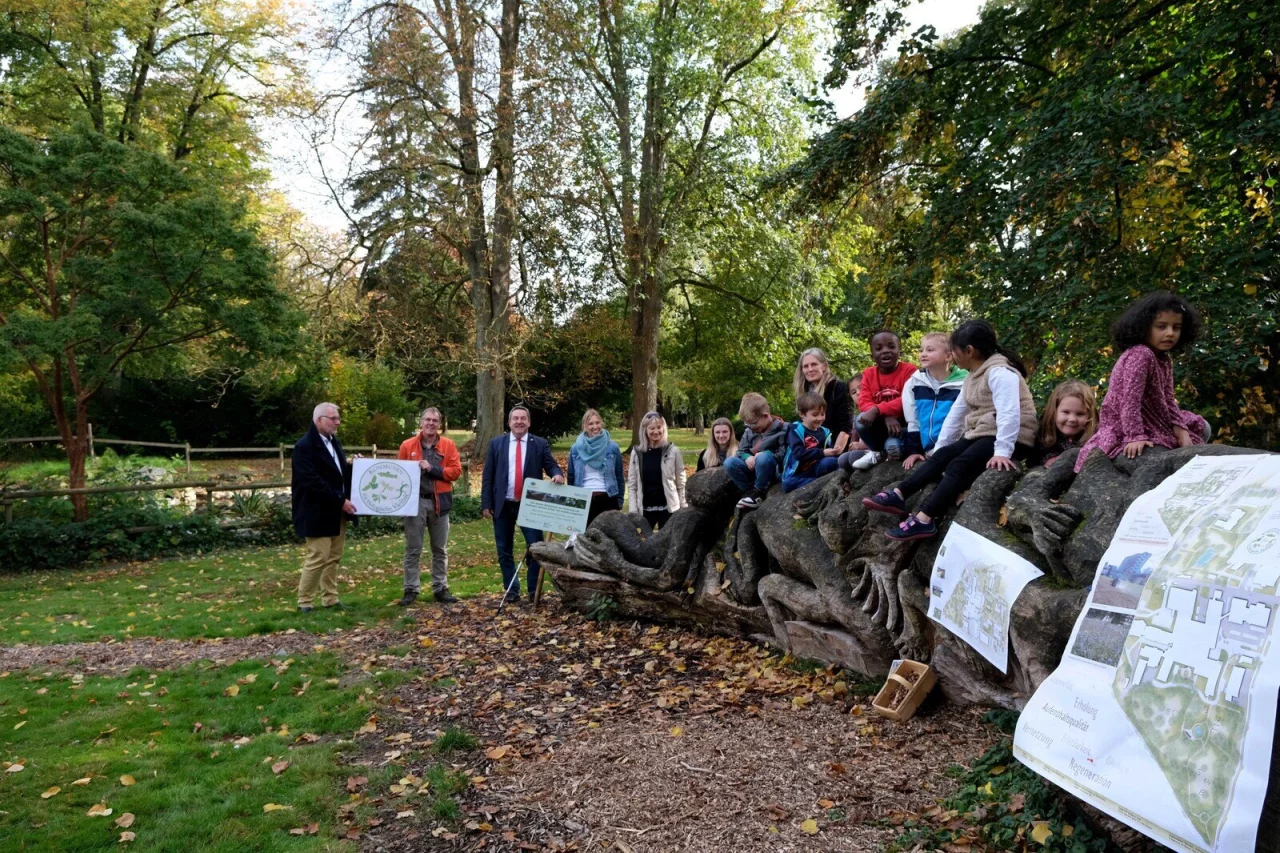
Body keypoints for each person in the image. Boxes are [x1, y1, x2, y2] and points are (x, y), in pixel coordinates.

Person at [862, 320, 1038, 541]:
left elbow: (1009, 414)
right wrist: (940, 449)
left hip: (1014, 436)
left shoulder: (1000, 373)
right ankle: (899, 493)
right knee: (943, 455)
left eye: (954, 351)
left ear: (969, 351)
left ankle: (924, 519)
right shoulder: (974, 375)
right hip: (985, 432)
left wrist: (1003, 451)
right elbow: (956, 416)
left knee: (959, 465)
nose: (953, 356)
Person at [1074, 291, 1209, 473]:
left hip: (1155, 418)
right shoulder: (1140, 355)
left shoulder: (1163, 359)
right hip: (1127, 423)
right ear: (1144, 326)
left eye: (1176, 328)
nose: (1170, 333)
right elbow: (1129, 400)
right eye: (1161, 326)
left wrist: (1181, 430)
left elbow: (1169, 399)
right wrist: (1135, 435)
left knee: (1202, 427)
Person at [481, 405, 564, 604]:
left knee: (535, 548)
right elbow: (488, 475)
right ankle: (511, 590)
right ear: (509, 422)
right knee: (504, 550)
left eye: (523, 418)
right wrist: (486, 503)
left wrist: (557, 474)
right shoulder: (496, 444)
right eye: (515, 418)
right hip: (503, 505)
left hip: (530, 505)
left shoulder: (539, 444)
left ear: (529, 422)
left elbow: (550, 464)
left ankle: (533, 591)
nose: (519, 421)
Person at [291, 402, 356, 612]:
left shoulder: (333, 442)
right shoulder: (304, 447)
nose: (338, 422)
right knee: (318, 556)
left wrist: (353, 467)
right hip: (316, 511)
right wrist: (340, 500)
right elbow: (312, 481)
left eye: (338, 418)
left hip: (336, 511)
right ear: (319, 420)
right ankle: (305, 602)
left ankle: (330, 598)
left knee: (334, 556)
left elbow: (337, 473)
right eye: (333, 418)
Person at [396, 407, 462, 606]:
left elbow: (456, 472)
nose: (431, 423)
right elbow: (399, 473)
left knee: (440, 549)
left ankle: (440, 588)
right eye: (427, 420)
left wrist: (432, 469)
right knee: (413, 548)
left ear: (439, 424)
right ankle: (411, 589)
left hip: (439, 501)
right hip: (414, 502)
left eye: (434, 420)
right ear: (421, 422)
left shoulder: (448, 445)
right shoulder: (407, 445)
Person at [899, 332, 968, 471]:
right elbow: (913, 420)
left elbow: (965, 421)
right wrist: (914, 451)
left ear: (948, 356)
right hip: (928, 450)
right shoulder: (914, 382)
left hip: (956, 448)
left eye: (930, 350)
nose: (923, 354)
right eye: (921, 350)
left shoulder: (964, 382)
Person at [851, 330, 917, 468]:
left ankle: (889, 450)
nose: (885, 351)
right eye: (879, 348)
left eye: (891, 346)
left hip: (903, 427)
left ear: (900, 352)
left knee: (894, 448)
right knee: (860, 420)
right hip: (880, 426)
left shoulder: (910, 371)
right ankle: (876, 451)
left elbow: (907, 399)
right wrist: (885, 415)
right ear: (872, 356)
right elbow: (864, 402)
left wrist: (878, 409)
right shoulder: (868, 374)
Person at [724, 392, 787, 510]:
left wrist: (767, 454)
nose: (751, 427)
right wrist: (747, 457)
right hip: (753, 469)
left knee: (763, 458)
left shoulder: (783, 429)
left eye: (753, 423)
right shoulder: (749, 431)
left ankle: (759, 492)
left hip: (771, 469)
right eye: (747, 424)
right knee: (729, 462)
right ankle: (749, 492)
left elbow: (784, 453)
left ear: (765, 416)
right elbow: (741, 451)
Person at [626, 411, 686, 530]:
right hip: (645, 510)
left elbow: (681, 483)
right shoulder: (637, 453)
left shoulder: (673, 451)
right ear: (645, 430)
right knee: (643, 541)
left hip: (669, 509)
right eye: (651, 428)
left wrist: (683, 507)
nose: (656, 431)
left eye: (659, 427)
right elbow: (632, 486)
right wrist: (633, 511)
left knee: (669, 541)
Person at [567, 408, 625, 530]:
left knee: (609, 537)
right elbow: (571, 477)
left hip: (608, 497)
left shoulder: (612, 447)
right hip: (584, 499)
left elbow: (619, 476)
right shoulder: (576, 449)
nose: (595, 427)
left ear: (602, 423)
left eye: (597, 422)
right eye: (591, 424)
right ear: (585, 426)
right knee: (586, 537)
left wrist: (619, 501)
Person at [794, 348, 852, 453]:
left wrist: (836, 451)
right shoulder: (805, 392)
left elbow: (846, 425)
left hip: (834, 446)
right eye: (806, 366)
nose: (810, 369)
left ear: (824, 366)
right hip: (812, 449)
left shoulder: (838, 387)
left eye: (814, 364)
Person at [781, 392, 840, 492]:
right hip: (799, 472)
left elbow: (829, 452)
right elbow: (798, 453)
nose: (820, 418)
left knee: (831, 462)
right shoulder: (796, 430)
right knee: (787, 484)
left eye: (822, 414)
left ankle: (817, 480)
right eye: (815, 415)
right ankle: (816, 481)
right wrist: (822, 452)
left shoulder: (824, 432)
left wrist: (834, 451)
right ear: (802, 414)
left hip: (817, 466)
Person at [1032, 381, 1098, 468]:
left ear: (1090, 415)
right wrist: (1049, 458)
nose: (1072, 419)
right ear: (1054, 411)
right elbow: (1034, 457)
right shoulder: (1043, 432)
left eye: (1080, 414)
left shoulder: (1096, 437)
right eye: (1066, 412)